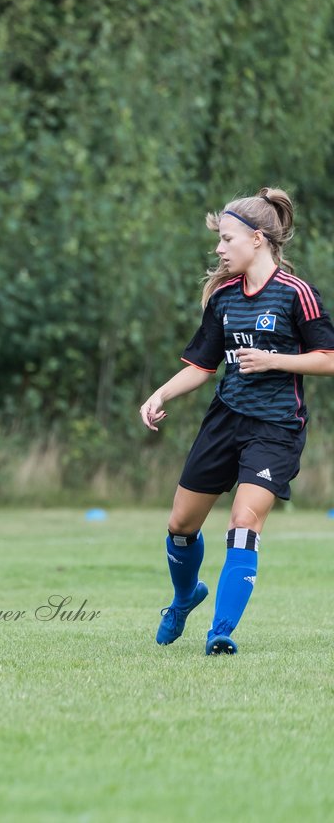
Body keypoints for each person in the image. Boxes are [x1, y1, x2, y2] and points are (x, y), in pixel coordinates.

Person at [140, 187, 334, 655]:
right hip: (224, 423)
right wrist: (160, 392)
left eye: (226, 239)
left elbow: (328, 358)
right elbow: (202, 366)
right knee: (181, 526)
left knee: (244, 523)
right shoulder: (224, 297)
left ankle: (220, 632)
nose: (219, 249)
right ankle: (185, 597)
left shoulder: (296, 294)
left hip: (276, 429)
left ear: (258, 239)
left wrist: (274, 360)